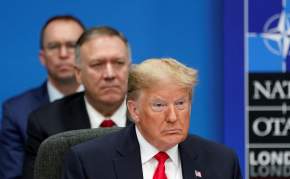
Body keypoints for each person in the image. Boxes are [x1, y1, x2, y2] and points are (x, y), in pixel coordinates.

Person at [62, 58, 242, 179]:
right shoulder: (89, 163)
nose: (173, 117)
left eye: (180, 104)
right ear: (134, 110)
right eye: (159, 105)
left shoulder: (222, 162)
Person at [23, 26, 132, 179]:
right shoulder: (46, 123)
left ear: (131, 68)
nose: (110, 74)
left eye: (119, 63)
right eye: (97, 64)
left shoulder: (153, 116)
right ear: (78, 74)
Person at [0, 15, 85, 179]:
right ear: (42, 58)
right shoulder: (17, 111)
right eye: (54, 46)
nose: (63, 54)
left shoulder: (109, 102)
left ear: (87, 53)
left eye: (71, 45)